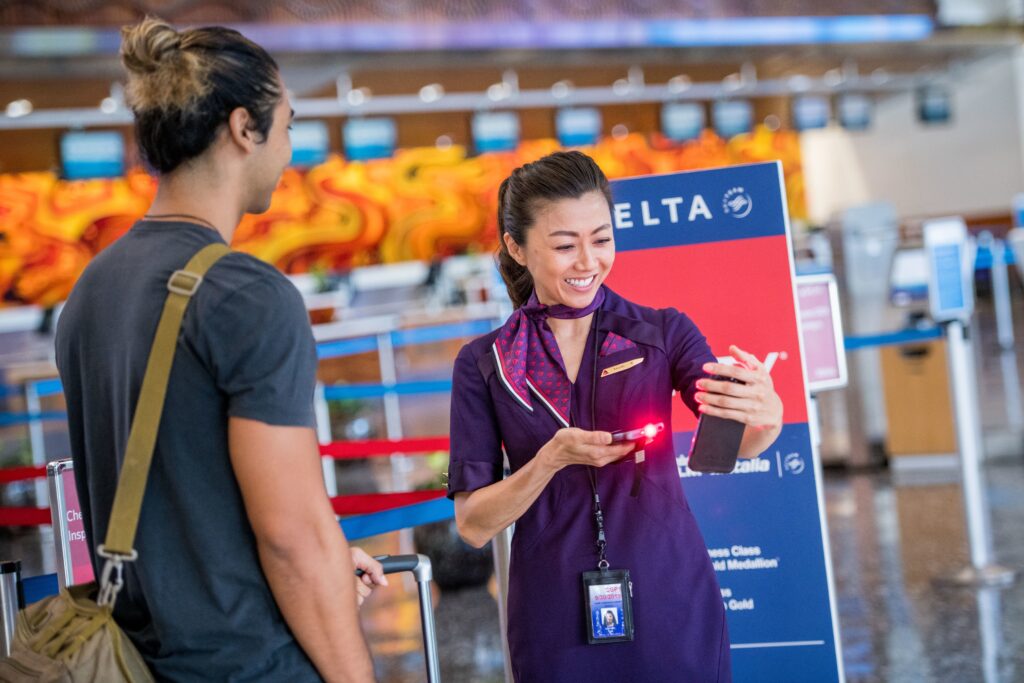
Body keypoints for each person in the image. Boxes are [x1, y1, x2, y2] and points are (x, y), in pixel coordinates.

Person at [55, 18, 383, 682]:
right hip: (249, 664)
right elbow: (290, 536)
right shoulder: (245, 295)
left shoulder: (91, 290)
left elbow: (185, 485)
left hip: (136, 660)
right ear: (243, 128)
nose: (289, 151)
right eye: (286, 126)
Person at [448, 151, 784, 682]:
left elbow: (731, 443)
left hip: (670, 592)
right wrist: (549, 461)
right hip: (553, 612)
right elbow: (472, 524)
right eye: (564, 245)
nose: (587, 262)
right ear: (517, 247)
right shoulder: (487, 364)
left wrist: (766, 414)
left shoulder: (663, 333)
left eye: (601, 239)